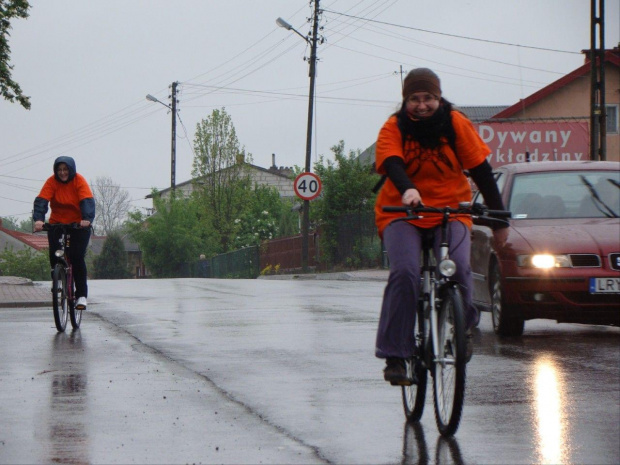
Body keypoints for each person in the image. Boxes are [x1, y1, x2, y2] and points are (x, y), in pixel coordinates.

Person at [374, 68, 508, 385]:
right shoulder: (394, 126)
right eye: (415, 99)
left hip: (450, 210)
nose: (422, 105)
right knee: (405, 272)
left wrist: (499, 218)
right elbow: (392, 162)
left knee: (459, 268)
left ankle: (464, 326)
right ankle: (396, 355)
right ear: (405, 100)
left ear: (439, 97)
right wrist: (408, 188)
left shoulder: (456, 123)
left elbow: (481, 170)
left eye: (429, 98)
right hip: (401, 211)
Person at [33, 156, 95, 310]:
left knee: (76, 256)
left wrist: (86, 219)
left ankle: (81, 295)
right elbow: (42, 200)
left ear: (71, 170)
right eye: (59, 170)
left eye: (65, 169)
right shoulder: (51, 182)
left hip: (78, 225)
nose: (62, 173)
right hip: (58, 223)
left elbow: (87, 201)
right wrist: (39, 220)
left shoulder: (79, 181)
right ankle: (58, 278)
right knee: (55, 253)